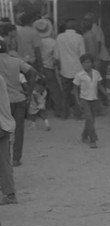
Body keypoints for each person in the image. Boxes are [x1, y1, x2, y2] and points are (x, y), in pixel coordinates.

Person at [0, 39, 37, 167]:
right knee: (19, 129)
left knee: (3, 130)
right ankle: (16, 158)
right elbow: (33, 72)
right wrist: (29, 91)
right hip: (18, 99)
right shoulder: (15, 61)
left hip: (2, 102)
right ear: (6, 48)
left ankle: (5, 157)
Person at [73, 54, 110, 149]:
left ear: (91, 63)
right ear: (81, 64)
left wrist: (107, 96)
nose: (87, 64)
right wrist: (78, 101)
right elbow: (75, 89)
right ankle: (93, 140)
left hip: (94, 100)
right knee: (89, 119)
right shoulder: (79, 75)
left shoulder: (96, 73)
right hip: (84, 100)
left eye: (88, 62)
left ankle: (84, 136)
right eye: (84, 62)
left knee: (91, 121)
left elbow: (99, 86)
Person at [54, 18, 85, 119]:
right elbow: (83, 55)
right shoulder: (79, 37)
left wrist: (58, 68)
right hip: (78, 69)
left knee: (65, 94)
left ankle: (64, 114)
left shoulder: (59, 37)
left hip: (65, 70)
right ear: (75, 27)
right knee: (79, 93)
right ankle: (78, 114)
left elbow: (56, 56)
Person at [32, 18, 64, 118]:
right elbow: (56, 58)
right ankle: (59, 110)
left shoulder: (35, 41)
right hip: (49, 68)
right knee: (55, 90)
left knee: (37, 90)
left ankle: (35, 111)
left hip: (37, 68)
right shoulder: (53, 42)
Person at [0, 73, 17, 205]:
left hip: (1, 124)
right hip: (4, 124)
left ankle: (9, 193)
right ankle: (9, 192)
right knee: (5, 160)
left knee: (4, 162)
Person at [83, 13, 110, 86]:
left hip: (101, 57)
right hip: (98, 58)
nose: (84, 22)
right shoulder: (91, 30)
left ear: (92, 20)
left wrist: (96, 59)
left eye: (87, 20)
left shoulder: (95, 29)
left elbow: (98, 43)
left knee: (99, 80)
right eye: (84, 19)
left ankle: (103, 96)